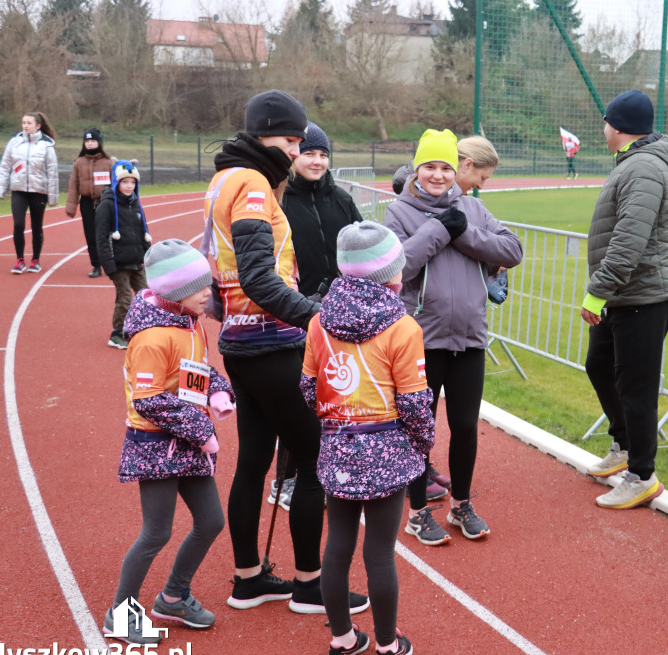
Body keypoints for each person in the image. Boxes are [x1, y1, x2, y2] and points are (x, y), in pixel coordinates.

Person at [202, 89, 367, 615]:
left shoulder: (225, 177)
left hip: (241, 341)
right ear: (263, 134)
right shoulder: (251, 185)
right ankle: (309, 584)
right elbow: (256, 276)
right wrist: (315, 315)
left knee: (253, 460)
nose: (296, 151)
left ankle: (248, 578)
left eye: (300, 141)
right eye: (290, 139)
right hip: (271, 342)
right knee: (315, 459)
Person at [301, 221, 434, 655]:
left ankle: (341, 640)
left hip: (338, 445)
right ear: (393, 275)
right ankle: (387, 647)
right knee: (379, 551)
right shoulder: (403, 326)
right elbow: (416, 401)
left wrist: (335, 421)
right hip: (387, 445)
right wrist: (423, 442)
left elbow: (308, 386)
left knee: (337, 545)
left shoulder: (319, 321)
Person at [386, 128, 523, 545]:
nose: (439, 175)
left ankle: (461, 504)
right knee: (419, 428)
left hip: (469, 340)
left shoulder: (473, 210)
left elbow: (512, 250)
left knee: (464, 426)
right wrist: (441, 230)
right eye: (430, 166)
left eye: (446, 167)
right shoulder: (399, 213)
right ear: (417, 168)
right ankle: (418, 512)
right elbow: (399, 268)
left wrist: (464, 231)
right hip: (419, 342)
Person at [101, 239, 233, 645]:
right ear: (176, 293)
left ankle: (174, 596)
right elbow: (149, 399)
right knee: (156, 532)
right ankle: (119, 615)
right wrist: (202, 430)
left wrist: (216, 388)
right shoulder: (153, 337)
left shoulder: (188, 322)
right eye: (200, 288)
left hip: (186, 440)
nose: (208, 294)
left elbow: (193, 370)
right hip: (155, 444)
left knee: (211, 520)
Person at [580, 89, 668, 510]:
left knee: (636, 386)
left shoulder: (642, 167)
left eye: (606, 122)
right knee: (599, 365)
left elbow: (628, 242)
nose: (603, 129)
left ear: (617, 126)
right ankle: (624, 446)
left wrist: (596, 293)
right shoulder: (635, 163)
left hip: (644, 295)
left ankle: (641, 475)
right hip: (628, 294)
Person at [267, 120, 364, 513]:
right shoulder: (280, 199)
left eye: (323, 154)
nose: (317, 160)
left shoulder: (341, 199)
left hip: (340, 310)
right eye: (309, 152)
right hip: (298, 311)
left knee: (339, 393)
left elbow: (361, 244)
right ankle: (285, 480)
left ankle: (331, 470)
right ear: (294, 156)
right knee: (299, 399)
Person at [0, 111, 59, 274]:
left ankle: (35, 260)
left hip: (39, 191)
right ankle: (19, 260)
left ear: (38, 126)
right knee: (18, 224)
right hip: (19, 190)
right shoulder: (14, 143)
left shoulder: (47, 146)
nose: (25, 126)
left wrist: (53, 196)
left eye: (29, 123)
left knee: (37, 226)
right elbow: (5, 166)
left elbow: (52, 172)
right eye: (23, 123)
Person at [96, 160, 152, 350]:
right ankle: (117, 333)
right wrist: (109, 265)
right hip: (119, 264)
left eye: (132, 182)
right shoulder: (107, 205)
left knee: (147, 295)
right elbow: (101, 238)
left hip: (136, 261)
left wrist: (147, 254)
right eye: (125, 182)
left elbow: (143, 230)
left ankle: (141, 328)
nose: (129, 186)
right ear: (116, 182)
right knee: (125, 298)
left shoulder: (135, 203)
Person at [66, 128, 113, 278]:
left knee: (106, 234)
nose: (90, 144)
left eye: (93, 141)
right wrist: (71, 207)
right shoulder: (79, 163)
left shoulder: (109, 162)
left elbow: (115, 185)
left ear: (99, 142)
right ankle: (96, 265)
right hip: (86, 203)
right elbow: (73, 185)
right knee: (90, 235)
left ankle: (111, 263)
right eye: (87, 141)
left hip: (104, 203)